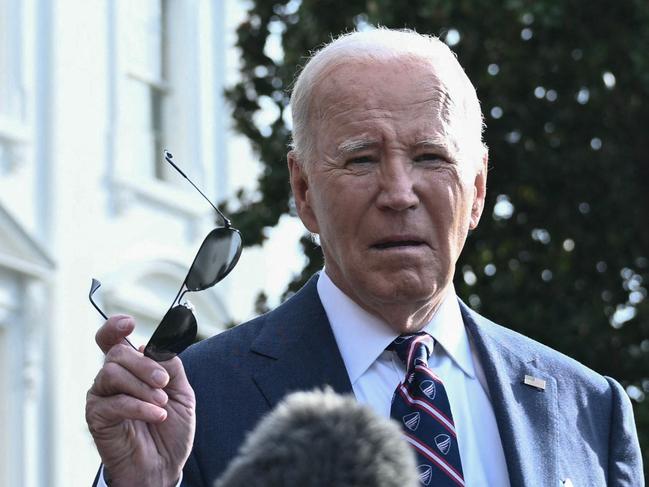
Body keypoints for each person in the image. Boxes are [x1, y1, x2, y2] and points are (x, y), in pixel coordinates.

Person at [86, 28, 643, 487]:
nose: (399, 192)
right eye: (361, 160)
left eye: (430, 157)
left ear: (476, 190)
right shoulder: (196, 403)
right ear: (304, 192)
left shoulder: (588, 409)